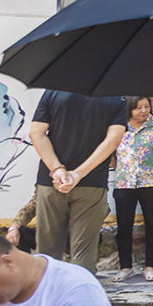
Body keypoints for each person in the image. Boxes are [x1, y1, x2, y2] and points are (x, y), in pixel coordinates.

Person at [27, 92, 129, 273]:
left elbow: (36, 133)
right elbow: (112, 141)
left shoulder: (54, 91)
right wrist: (78, 174)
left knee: (48, 250)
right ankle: (81, 296)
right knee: (84, 252)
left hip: (52, 182)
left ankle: (49, 294)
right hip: (92, 182)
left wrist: (57, 169)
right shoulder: (116, 97)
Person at [112, 97, 153, 281]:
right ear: (129, 109)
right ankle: (126, 267)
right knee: (124, 225)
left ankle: (150, 266)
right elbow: (110, 152)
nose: (143, 111)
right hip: (125, 183)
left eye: (146, 107)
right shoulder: (118, 125)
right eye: (138, 108)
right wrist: (120, 168)